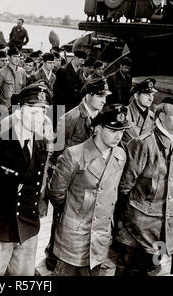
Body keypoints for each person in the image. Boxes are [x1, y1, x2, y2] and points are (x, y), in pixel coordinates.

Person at [0, 82, 52, 276]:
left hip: (27, 229)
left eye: (43, 112)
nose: (40, 118)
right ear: (19, 112)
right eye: (33, 112)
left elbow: (37, 185)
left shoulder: (41, 144)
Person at [50, 104, 129, 276]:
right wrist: (74, 211)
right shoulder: (74, 154)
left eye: (122, 131)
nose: (119, 136)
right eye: (113, 130)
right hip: (74, 235)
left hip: (100, 235)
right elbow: (56, 193)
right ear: (99, 129)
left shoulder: (120, 155)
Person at [115, 95, 173, 276]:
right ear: (161, 117)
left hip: (166, 230)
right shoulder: (142, 144)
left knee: (154, 269)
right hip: (138, 229)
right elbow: (124, 187)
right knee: (130, 270)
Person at [44, 78, 112, 271]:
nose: (103, 101)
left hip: (90, 178)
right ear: (88, 95)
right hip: (70, 178)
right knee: (61, 216)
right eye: (100, 96)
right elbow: (57, 151)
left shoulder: (102, 116)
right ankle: (53, 252)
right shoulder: (71, 117)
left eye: (105, 97)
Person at [121, 78, 157, 144]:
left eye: (152, 95)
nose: (151, 99)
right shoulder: (124, 114)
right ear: (136, 96)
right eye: (147, 94)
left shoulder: (154, 116)